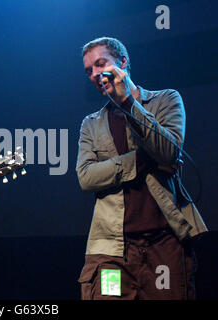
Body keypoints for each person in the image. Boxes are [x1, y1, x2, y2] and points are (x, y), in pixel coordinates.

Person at [76, 37, 207, 300]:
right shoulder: (91, 124)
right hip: (111, 250)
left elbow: (169, 153)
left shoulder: (166, 101)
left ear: (123, 63)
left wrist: (127, 103)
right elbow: (86, 177)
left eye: (100, 64)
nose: (94, 74)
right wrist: (138, 161)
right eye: (88, 70)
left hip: (164, 243)